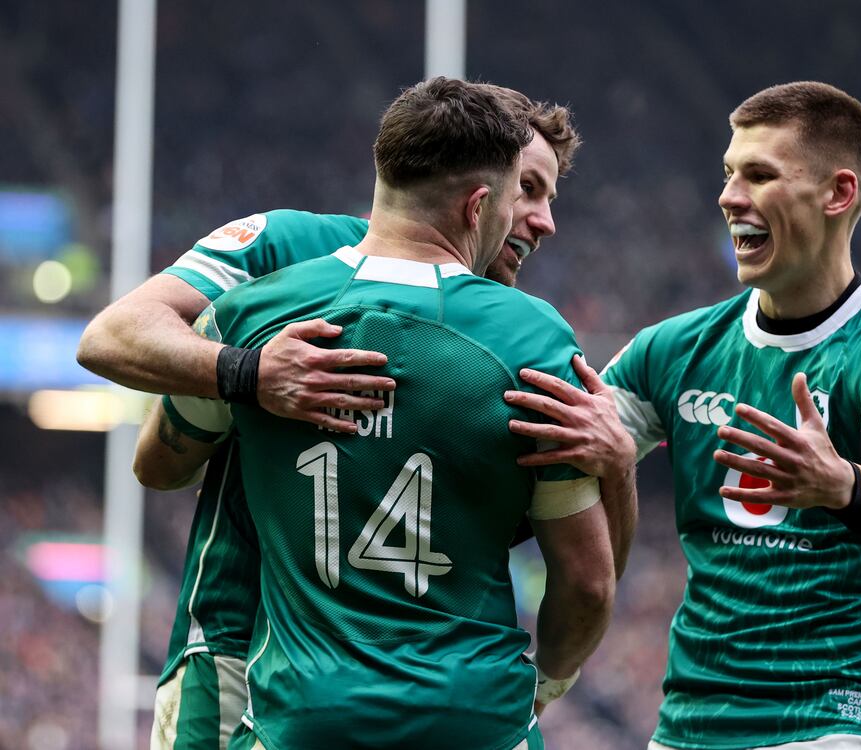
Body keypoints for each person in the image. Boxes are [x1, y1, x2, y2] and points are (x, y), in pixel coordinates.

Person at [78, 85, 636, 747]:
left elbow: (157, 458)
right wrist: (250, 374)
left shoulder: (284, 306)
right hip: (236, 638)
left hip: (308, 688)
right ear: (479, 192)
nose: (544, 221)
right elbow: (114, 344)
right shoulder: (289, 249)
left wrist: (620, 469)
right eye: (530, 188)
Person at [507, 81, 861, 749]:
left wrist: (840, 484)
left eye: (759, 175)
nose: (728, 196)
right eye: (727, 174)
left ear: (838, 194)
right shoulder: (674, 350)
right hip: (689, 726)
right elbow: (552, 474)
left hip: (835, 723)